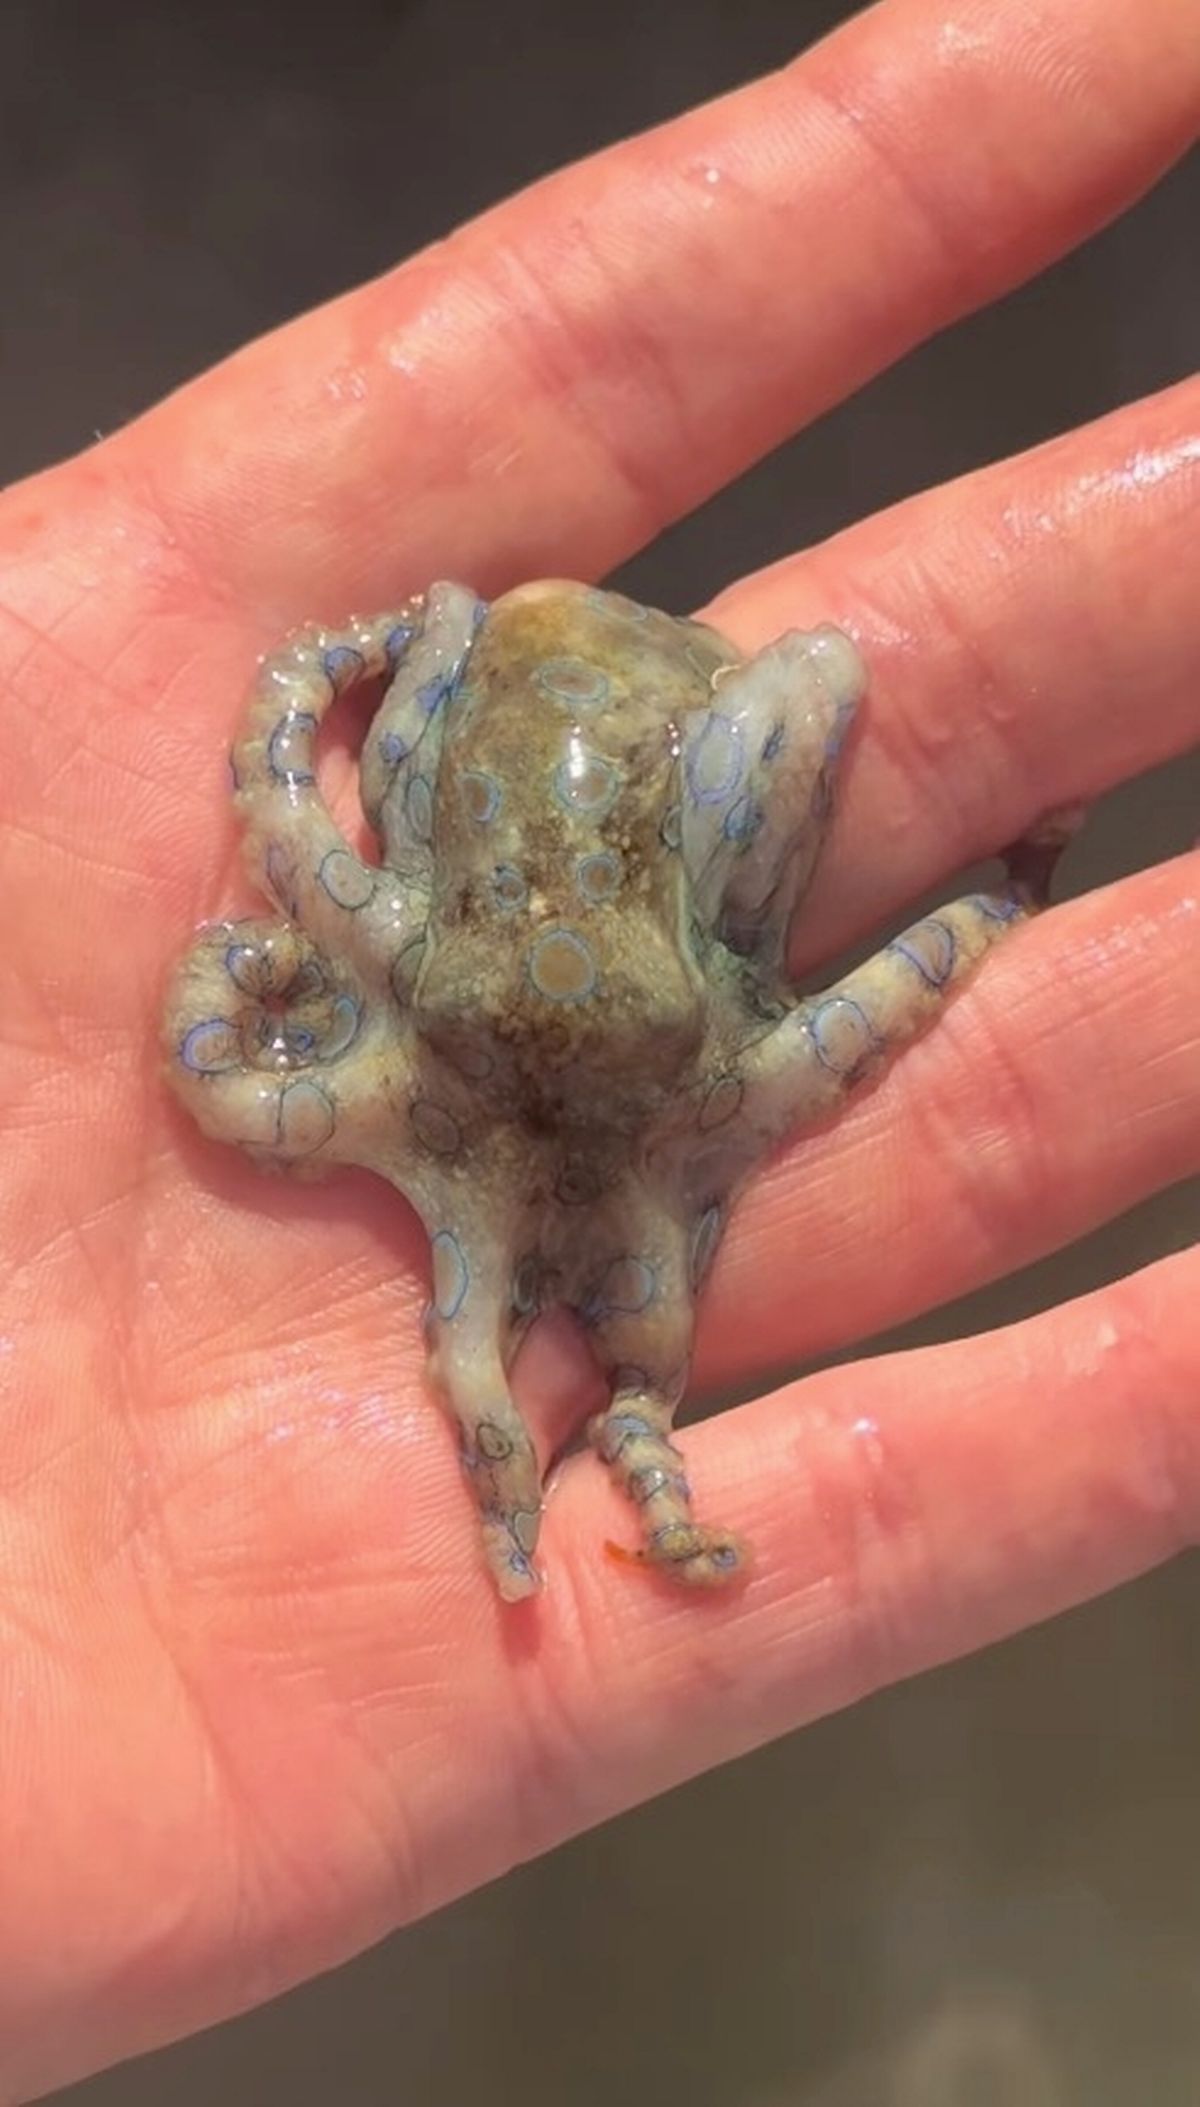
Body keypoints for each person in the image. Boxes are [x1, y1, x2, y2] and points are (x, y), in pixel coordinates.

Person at [0, 0, 1196, 2092]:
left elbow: (294, 796)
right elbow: (787, 769)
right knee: (816, 688)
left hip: (575, 761)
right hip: (625, 777)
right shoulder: (597, 973)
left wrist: (369, 662)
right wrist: (993, 893)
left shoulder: (432, 928)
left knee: (801, 696)